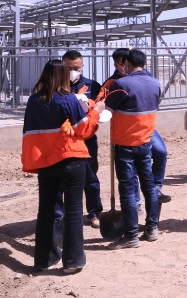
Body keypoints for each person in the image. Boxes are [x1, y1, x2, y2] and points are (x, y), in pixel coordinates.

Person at [22, 59, 103, 274]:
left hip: (46, 161)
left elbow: (29, 130)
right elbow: (84, 130)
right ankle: (73, 261)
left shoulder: (33, 101)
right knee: (74, 210)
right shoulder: (68, 99)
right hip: (71, 160)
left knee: (46, 210)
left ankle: (43, 260)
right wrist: (96, 111)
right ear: (63, 76)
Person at [105, 49, 161, 248]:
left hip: (125, 145)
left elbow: (106, 111)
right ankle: (152, 228)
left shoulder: (121, 84)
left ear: (127, 63)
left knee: (128, 190)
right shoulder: (155, 83)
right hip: (145, 142)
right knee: (149, 186)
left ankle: (131, 235)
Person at [104, 48, 171, 205]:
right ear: (117, 65)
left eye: (125, 63)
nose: (124, 66)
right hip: (127, 132)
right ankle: (136, 203)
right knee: (131, 170)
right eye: (120, 63)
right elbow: (106, 106)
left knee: (161, 152)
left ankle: (157, 187)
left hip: (146, 128)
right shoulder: (113, 83)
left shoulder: (148, 79)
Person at [61, 50, 104, 228]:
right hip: (65, 139)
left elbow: (101, 107)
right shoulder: (57, 86)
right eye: (69, 68)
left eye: (77, 68)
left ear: (82, 67)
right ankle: (65, 215)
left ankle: (94, 212)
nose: (73, 71)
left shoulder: (92, 85)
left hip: (87, 138)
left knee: (90, 176)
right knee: (63, 178)